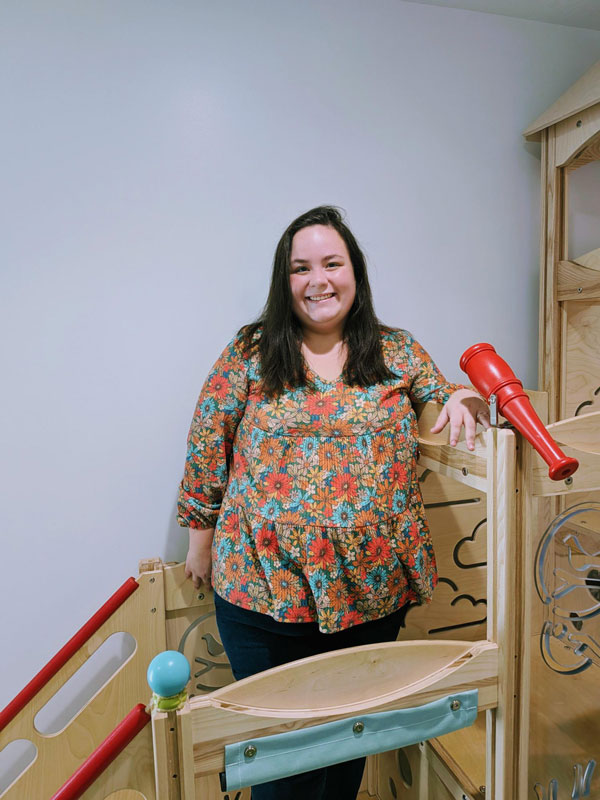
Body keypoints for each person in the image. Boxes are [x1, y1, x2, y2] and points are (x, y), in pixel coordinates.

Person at [177, 206, 490, 800]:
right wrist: (200, 539)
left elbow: (447, 397)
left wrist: (465, 398)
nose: (317, 280)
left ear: (355, 272)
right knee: (280, 765)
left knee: (346, 755)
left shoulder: (398, 351)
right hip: (263, 594)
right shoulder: (251, 351)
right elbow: (207, 438)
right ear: (284, 280)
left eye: (331, 263)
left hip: (370, 599)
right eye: (300, 268)